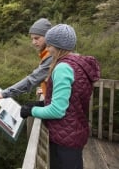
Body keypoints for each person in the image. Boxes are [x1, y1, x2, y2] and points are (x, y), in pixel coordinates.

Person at [20, 24, 100, 169]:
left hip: (65, 138)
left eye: (49, 45)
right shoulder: (77, 63)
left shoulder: (63, 68)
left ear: (57, 46)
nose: (47, 49)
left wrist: (31, 111)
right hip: (75, 131)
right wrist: (40, 104)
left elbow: (57, 110)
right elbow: (71, 100)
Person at [0, 18, 52, 103]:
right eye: (32, 39)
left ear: (48, 37)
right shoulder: (47, 53)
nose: (33, 42)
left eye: (37, 38)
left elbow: (32, 79)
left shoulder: (51, 56)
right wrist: (45, 89)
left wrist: (2, 94)